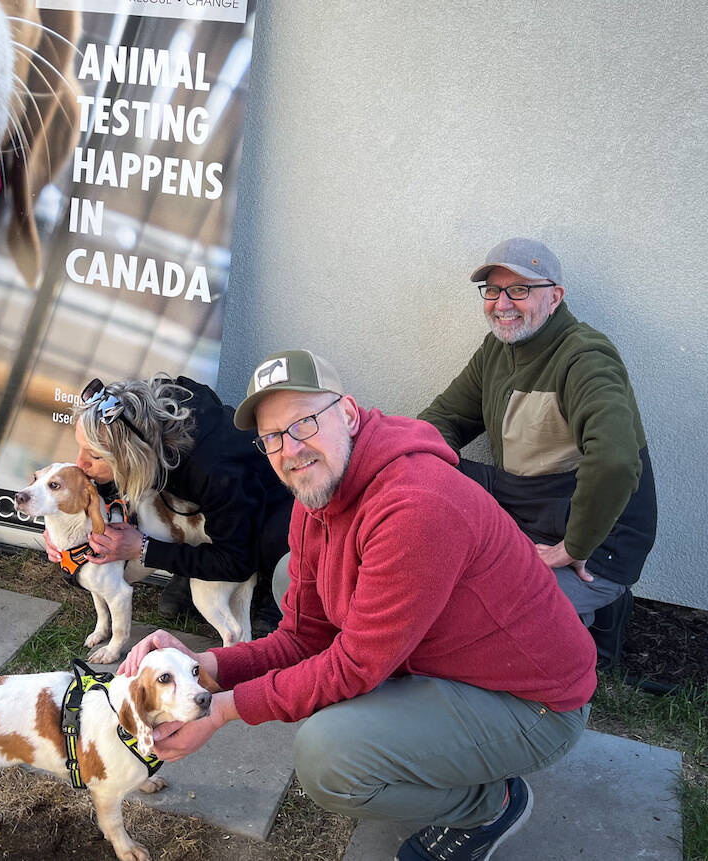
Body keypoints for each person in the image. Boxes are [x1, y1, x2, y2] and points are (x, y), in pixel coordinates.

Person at [121, 348, 597, 861]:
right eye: (273, 438)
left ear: (347, 413)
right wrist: (199, 668)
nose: (291, 450)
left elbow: (354, 667)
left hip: (534, 705)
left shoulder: (415, 506)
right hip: (454, 664)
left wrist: (218, 712)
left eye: (304, 423)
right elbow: (303, 638)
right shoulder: (316, 499)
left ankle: (489, 803)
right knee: (291, 580)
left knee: (331, 757)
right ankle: (442, 745)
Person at [417, 238, 657, 628]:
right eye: (493, 290)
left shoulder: (584, 358)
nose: (503, 304)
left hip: (594, 550)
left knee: (460, 615)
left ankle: (586, 617)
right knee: (423, 461)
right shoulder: (498, 350)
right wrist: (427, 477)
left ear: (555, 296)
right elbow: (444, 418)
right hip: (524, 514)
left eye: (520, 290)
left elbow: (615, 460)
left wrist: (576, 546)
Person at [48, 375, 293, 633]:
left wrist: (143, 549)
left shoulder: (213, 472)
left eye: (95, 456)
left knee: (267, 547)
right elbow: (112, 475)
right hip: (207, 496)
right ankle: (189, 568)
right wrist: (61, 518)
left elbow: (235, 562)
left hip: (274, 503)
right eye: (81, 448)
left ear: (136, 455)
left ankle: (271, 590)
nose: (80, 464)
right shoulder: (140, 419)